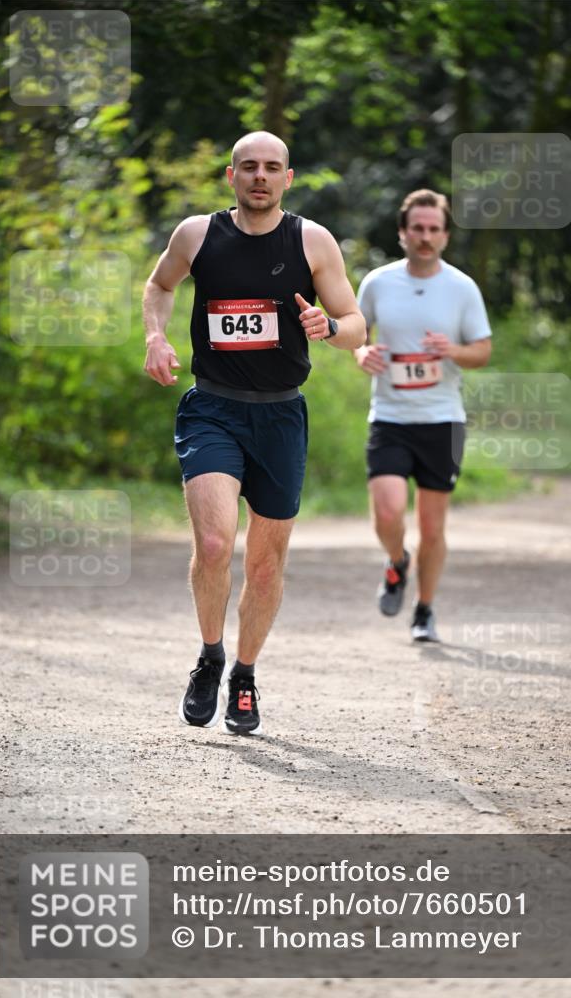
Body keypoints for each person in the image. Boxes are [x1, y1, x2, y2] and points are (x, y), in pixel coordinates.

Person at [142, 131, 366, 735]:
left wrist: (328, 326)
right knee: (215, 545)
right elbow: (159, 285)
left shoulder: (312, 240)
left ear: (288, 178)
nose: (260, 177)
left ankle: (244, 674)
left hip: (280, 415)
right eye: (249, 167)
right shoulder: (196, 234)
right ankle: (209, 656)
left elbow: (355, 324)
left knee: (265, 566)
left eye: (272, 168)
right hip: (212, 407)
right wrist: (155, 337)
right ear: (231, 174)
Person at [354, 189, 491, 642]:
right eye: (418, 228)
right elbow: (356, 332)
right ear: (402, 232)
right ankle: (397, 563)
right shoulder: (377, 282)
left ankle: (425, 610)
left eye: (434, 229)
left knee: (433, 527)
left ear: (446, 235)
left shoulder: (461, 287)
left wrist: (451, 350)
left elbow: (483, 351)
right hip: (390, 417)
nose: (426, 236)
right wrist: (361, 352)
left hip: (442, 420)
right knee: (388, 512)